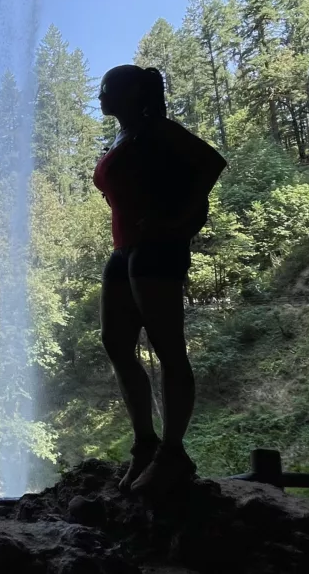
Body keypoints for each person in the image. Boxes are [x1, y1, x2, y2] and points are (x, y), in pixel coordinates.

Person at [93, 65, 227, 495]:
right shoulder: (123, 136)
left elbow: (211, 163)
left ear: (133, 92)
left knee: (168, 347)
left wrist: (174, 219)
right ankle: (145, 445)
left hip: (157, 246)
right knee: (115, 342)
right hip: (124, 249)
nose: (100, 95)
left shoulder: (157, 128)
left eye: (108, 88)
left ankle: (173, 454)